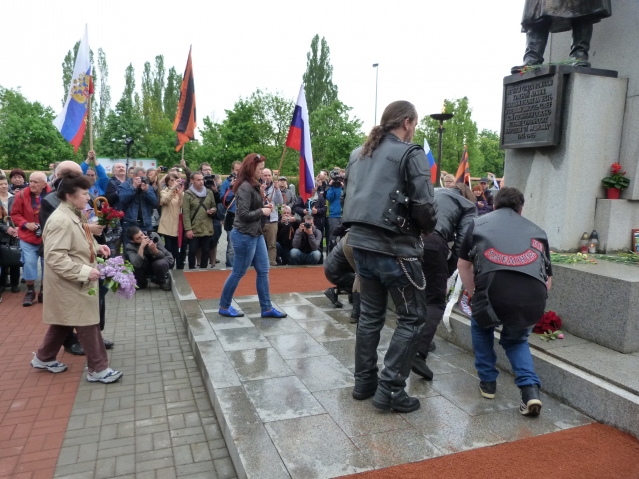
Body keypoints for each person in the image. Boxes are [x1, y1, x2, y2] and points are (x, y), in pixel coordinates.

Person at [341, 100, 437, 413]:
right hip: (395, 250)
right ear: (407, 122)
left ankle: (364, 382)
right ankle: (392, 389)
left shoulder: (358, 154)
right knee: (413, 317)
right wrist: (428, 228)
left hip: (361, 247)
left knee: (370, 316)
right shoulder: (411, 153)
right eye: (415, 124)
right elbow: (425, 209)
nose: (414, 130)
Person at [457, 187, 552, 416]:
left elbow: (463, 265)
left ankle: (488, 383)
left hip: (492, 292)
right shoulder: (538, 231)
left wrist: (472, 293)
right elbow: (547, 279)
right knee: (517, 341)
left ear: (495, 204)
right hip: (532, 297)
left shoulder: (478, 224)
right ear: (521, 209)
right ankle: (529, 391)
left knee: (481, 327)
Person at [30, 171, 122, 383]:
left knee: (64, 320)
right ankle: (98, 369)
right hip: (70, 282)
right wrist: (85, 271)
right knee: (88, 322)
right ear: (69, 196)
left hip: (73, 281)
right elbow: (54, 257)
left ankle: (44, 357)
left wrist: (99, 247)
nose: (88, 197)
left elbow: (82, 239)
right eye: (83, 193)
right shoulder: (61, 220)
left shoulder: (74, 214)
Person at [411, 186, 477, 381]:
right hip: (432, 241)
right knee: (436, 300)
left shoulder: (433, 191)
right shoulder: (467, 205)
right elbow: (465, 240)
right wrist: (449, 267)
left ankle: (416, 340)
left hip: (408, 240)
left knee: (416, 292)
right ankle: (418, 353)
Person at [217, 153, 287, 319]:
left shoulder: (253, 184)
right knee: (238, 272)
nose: (263, 172)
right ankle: (224, 306)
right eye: (260, 169)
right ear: (251, 168)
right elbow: (242, 214)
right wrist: (262, 211)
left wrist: (264, 206)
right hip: (244, 235)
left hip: (255, 234)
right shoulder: (245, 187)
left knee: (263, 270)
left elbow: (251, 208)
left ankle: (267, 308)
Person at [11, 172, 52, 306]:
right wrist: (25, 224)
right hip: (28, 236)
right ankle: (30, 291)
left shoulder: (53, 195)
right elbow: (15, 214)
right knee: (28, 264)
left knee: (47, 266)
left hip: (47, 237)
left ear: (44, 184)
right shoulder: (21, 195)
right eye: (31, 181)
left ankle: (43, 291)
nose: (32, 184)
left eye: (36, 182)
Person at [183, 172, 216, 269]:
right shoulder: (188, 194)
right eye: (198, 180)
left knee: (206, 250)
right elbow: (186, 213)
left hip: (207, 227)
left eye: (202, 179)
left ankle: (204, 270)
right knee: (192, 251)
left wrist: (213, 210)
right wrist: (188, 229)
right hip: (194, 228)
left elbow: (214, 206)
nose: (201, 182)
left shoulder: (209, 192)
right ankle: (192, 270)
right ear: (192, 181)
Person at [119, 167, 158, 245]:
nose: (142, 180)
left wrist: (146, 191)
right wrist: (133, 187)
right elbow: (122, 199)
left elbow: (155, 203)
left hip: (145, 224)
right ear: (133, 176)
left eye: (144, 177)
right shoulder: (125, 185)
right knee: (129, 248)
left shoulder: (148, 186)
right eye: (140, 177)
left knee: (147, 249)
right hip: (130, 223)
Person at [158, 173, 185, 269]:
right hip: (167, 225)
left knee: (179, 248)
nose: (174, 182)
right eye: (171, 180)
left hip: (178, 224)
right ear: (167, 182)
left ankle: (179, 268)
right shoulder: (164, 191)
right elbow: (164, 201)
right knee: (169, 247)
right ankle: (169, 268)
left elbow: (183, 205)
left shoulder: (179, 192)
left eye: (176, 180)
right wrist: (173, 189)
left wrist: (181, 193)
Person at [323, 235, 356, 309]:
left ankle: (352, 296)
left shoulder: (349, 236)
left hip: (331, 268)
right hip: (335, 273)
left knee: (357, 277)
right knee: (364, 281)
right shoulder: (354, 241)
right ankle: (334, 291)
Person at [220, 161, 242, 267]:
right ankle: (230, 265)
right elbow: (223, 200)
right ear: (232, 171)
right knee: (232, 245)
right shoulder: (226, 183)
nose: (239, 172)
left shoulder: (245, 182)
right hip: (232, 215)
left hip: (243, 216)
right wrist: (232, 188)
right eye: (237, 170)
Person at [0, 177, 19, 298]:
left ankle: (15, 284)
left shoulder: (14, 198)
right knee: (2, 259)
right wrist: (6, 228)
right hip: (1, 233)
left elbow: (19, 213)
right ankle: (2, 283)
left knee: (15, 258)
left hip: (15, 233)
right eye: (1, 184)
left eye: (5, 184)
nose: (3, 186)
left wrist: (17, 227)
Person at [261, 168, 283, 266]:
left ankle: (271, 263)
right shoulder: (257, 186)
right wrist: (261, 191)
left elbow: (280, 202)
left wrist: (277, 189)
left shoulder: (274, 187)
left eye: (269, 175)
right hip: (260, 219)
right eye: (265, 175)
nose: (268, 177)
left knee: (272, 244)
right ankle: (260, 263)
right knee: (260, 244)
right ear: (261, 176)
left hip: (272, 220)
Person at [326, 170, 344, 253]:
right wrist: (330, 186)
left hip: (344, 215)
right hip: (334, 215)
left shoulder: (343, 187)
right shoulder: (332, 187)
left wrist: (344, 187)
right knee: (333, 236)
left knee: (344, 236)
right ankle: (332, 254)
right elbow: (329, 198)